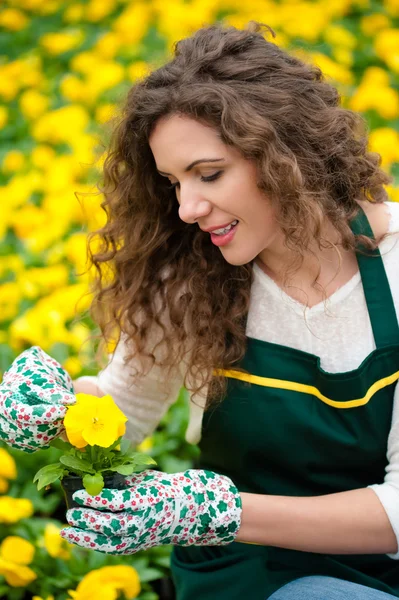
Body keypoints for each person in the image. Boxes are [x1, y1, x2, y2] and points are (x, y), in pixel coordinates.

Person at [1, 19, 399, 600]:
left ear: (286, 153)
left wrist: (212, 507)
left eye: (208, 174)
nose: (187, 208)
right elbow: (124, 410)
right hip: (251, 573)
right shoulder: (190, 277)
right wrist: (55, 411)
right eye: (172, 183)